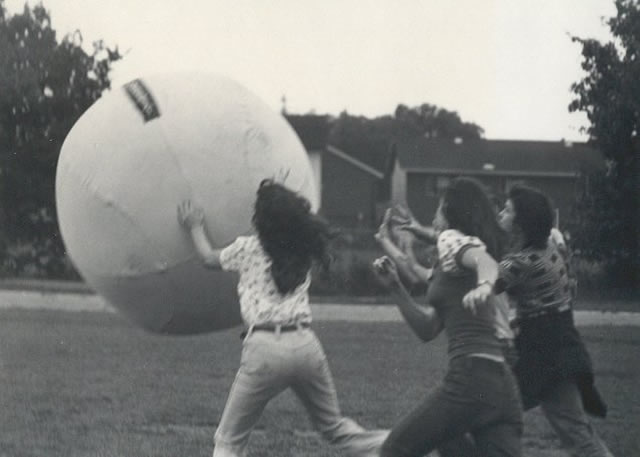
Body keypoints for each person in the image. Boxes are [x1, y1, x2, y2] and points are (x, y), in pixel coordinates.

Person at [178, 179, 387, 457]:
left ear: (261, 220)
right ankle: (407, 444)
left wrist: (194, 225)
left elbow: (207, 258)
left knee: (228, 440)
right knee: (335, 427)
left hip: (265, 348)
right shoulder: (302, 250)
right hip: (305, 344)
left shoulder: (248, 248)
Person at [374, 177, 523, 457]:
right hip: (501, 387)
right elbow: (428, 328)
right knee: (448, 440)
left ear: (453, 214)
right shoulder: (450, 263)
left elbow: (485, 262)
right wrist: (396, 287)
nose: (434, 217)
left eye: (439, 210)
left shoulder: (452, 240)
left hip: (471, 379)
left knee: (396, 449)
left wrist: (483, 286)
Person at [496, 184, 614, 457]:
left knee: (576, 434)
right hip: (557, 344)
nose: (501, 213)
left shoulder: (521, 262)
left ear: (522, 222)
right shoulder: (549, 244)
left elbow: (483, 283)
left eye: (508, 210)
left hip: (546, 354)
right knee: (576, 431)